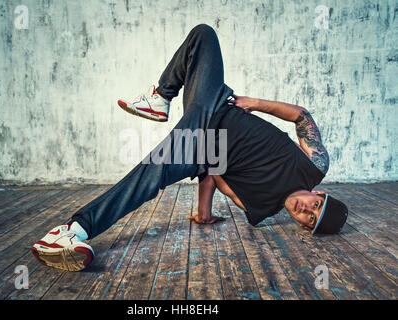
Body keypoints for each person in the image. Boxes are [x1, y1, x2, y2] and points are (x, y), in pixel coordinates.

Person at [31, 24, 348, 272]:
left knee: (149, 178)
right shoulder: (314, 165)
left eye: (308, 221)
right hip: (217, 103)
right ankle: (162, 95)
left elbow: (221, 179)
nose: (305, 212)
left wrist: (203, 210)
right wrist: (254, 103)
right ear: (318, 195)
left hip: (202, 148)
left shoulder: (261, 211)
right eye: (315, 207)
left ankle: (74, 231)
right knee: (203, 35)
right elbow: (301, 116)